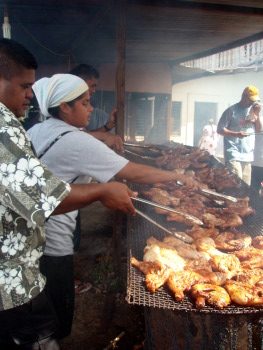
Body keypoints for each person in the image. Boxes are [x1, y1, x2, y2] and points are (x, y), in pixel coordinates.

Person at [28, 73, 202, 339]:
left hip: (28, 236)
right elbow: (134, 172)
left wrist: (102, 136)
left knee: (33, 311)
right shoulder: (77, 141)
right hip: (53, 242)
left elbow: (83, 141)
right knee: (53, 324)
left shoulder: (38, 129)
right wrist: (178, 176)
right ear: (64, 107)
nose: (91, 109)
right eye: (85, 103)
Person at [0, 38, 138, 349]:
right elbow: (40, 199)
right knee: (42, 337)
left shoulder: (23, 126)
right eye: (24, 86)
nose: (29, 95)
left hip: (21, 265)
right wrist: (102, 190)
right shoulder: (4, 127)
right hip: (12, 280)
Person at [69, 64, 124, 153]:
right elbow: (74, 135)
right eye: (92, 86)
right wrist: (104, 136)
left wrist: (108, 125)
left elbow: (84, 134)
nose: (94, 90)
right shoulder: (69, 105)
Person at [217, 86, 262, 186]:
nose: (252, 103)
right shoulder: (231, 111)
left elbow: (258, 129)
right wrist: (236, 134)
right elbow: (220, 129)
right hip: (234, 153)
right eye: (250, 100)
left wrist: (257, 115)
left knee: (245, 187)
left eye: (253, 101)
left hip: (248, 156)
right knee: (236, 184)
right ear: (244, 97)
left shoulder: (251, 112)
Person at [251, 103, 263, 194]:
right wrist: (257, 114)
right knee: (254, 190)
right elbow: (258, 129)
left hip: (257, 160)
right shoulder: (259, 119)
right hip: (258, 161)